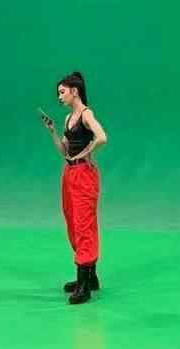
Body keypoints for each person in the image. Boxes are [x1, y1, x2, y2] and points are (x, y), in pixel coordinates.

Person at [40, 72, 107, 304]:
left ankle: (83, 285)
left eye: (62, 92)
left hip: (84, 175)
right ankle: (90, 276)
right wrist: (52, 130)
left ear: (74, 91)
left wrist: (86, 152)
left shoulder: (86, 114)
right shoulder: (69, 118)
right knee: (73, 221)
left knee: (84, 225)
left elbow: (101, 137)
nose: (59, 97)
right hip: (70, 174)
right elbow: (64, 150)